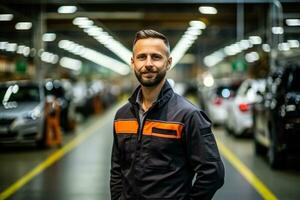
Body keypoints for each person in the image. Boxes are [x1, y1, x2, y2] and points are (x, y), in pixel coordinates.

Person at [110, 29, 224, 200]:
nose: (148, 63)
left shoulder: (188, 116)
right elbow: (117, 168)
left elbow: (212, 173)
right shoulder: (122, 116)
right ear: (133, 63)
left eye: (156, 57)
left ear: (168, 63)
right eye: (142, 57)